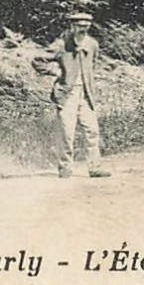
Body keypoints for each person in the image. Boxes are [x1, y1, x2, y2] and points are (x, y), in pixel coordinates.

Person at [32, 11, 110, 178]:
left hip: (86, 94)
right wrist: (55, 72)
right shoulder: (61, 44)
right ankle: (65, 168)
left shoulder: (92, 44)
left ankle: (95, 167)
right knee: (67, 132)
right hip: (67, 93)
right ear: (72, 26)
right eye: (79, 26)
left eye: (86, 26)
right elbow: (38, 60)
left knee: (92, 130)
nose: (83, 29)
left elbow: (93, 65)